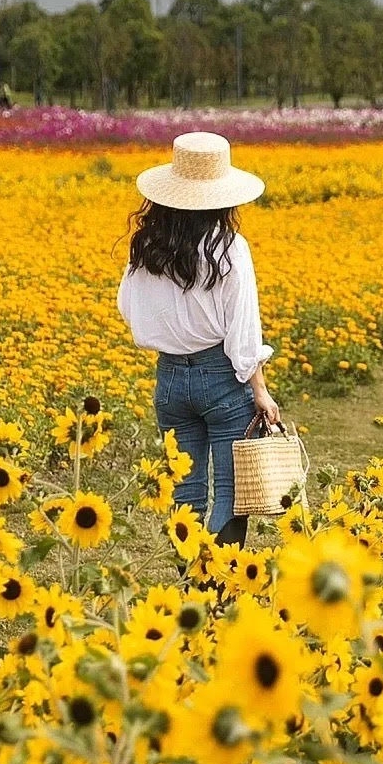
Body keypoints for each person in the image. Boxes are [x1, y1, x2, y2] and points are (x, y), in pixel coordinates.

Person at [116, 132, 280, 547]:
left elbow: (128, 308)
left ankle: (189, 582)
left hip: (169, 379)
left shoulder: (148, 246)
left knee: (185, 493)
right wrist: (259, 388)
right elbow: (244, 329)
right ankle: (217, 584)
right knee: (231, 492)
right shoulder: (228, 248)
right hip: (222, 378)